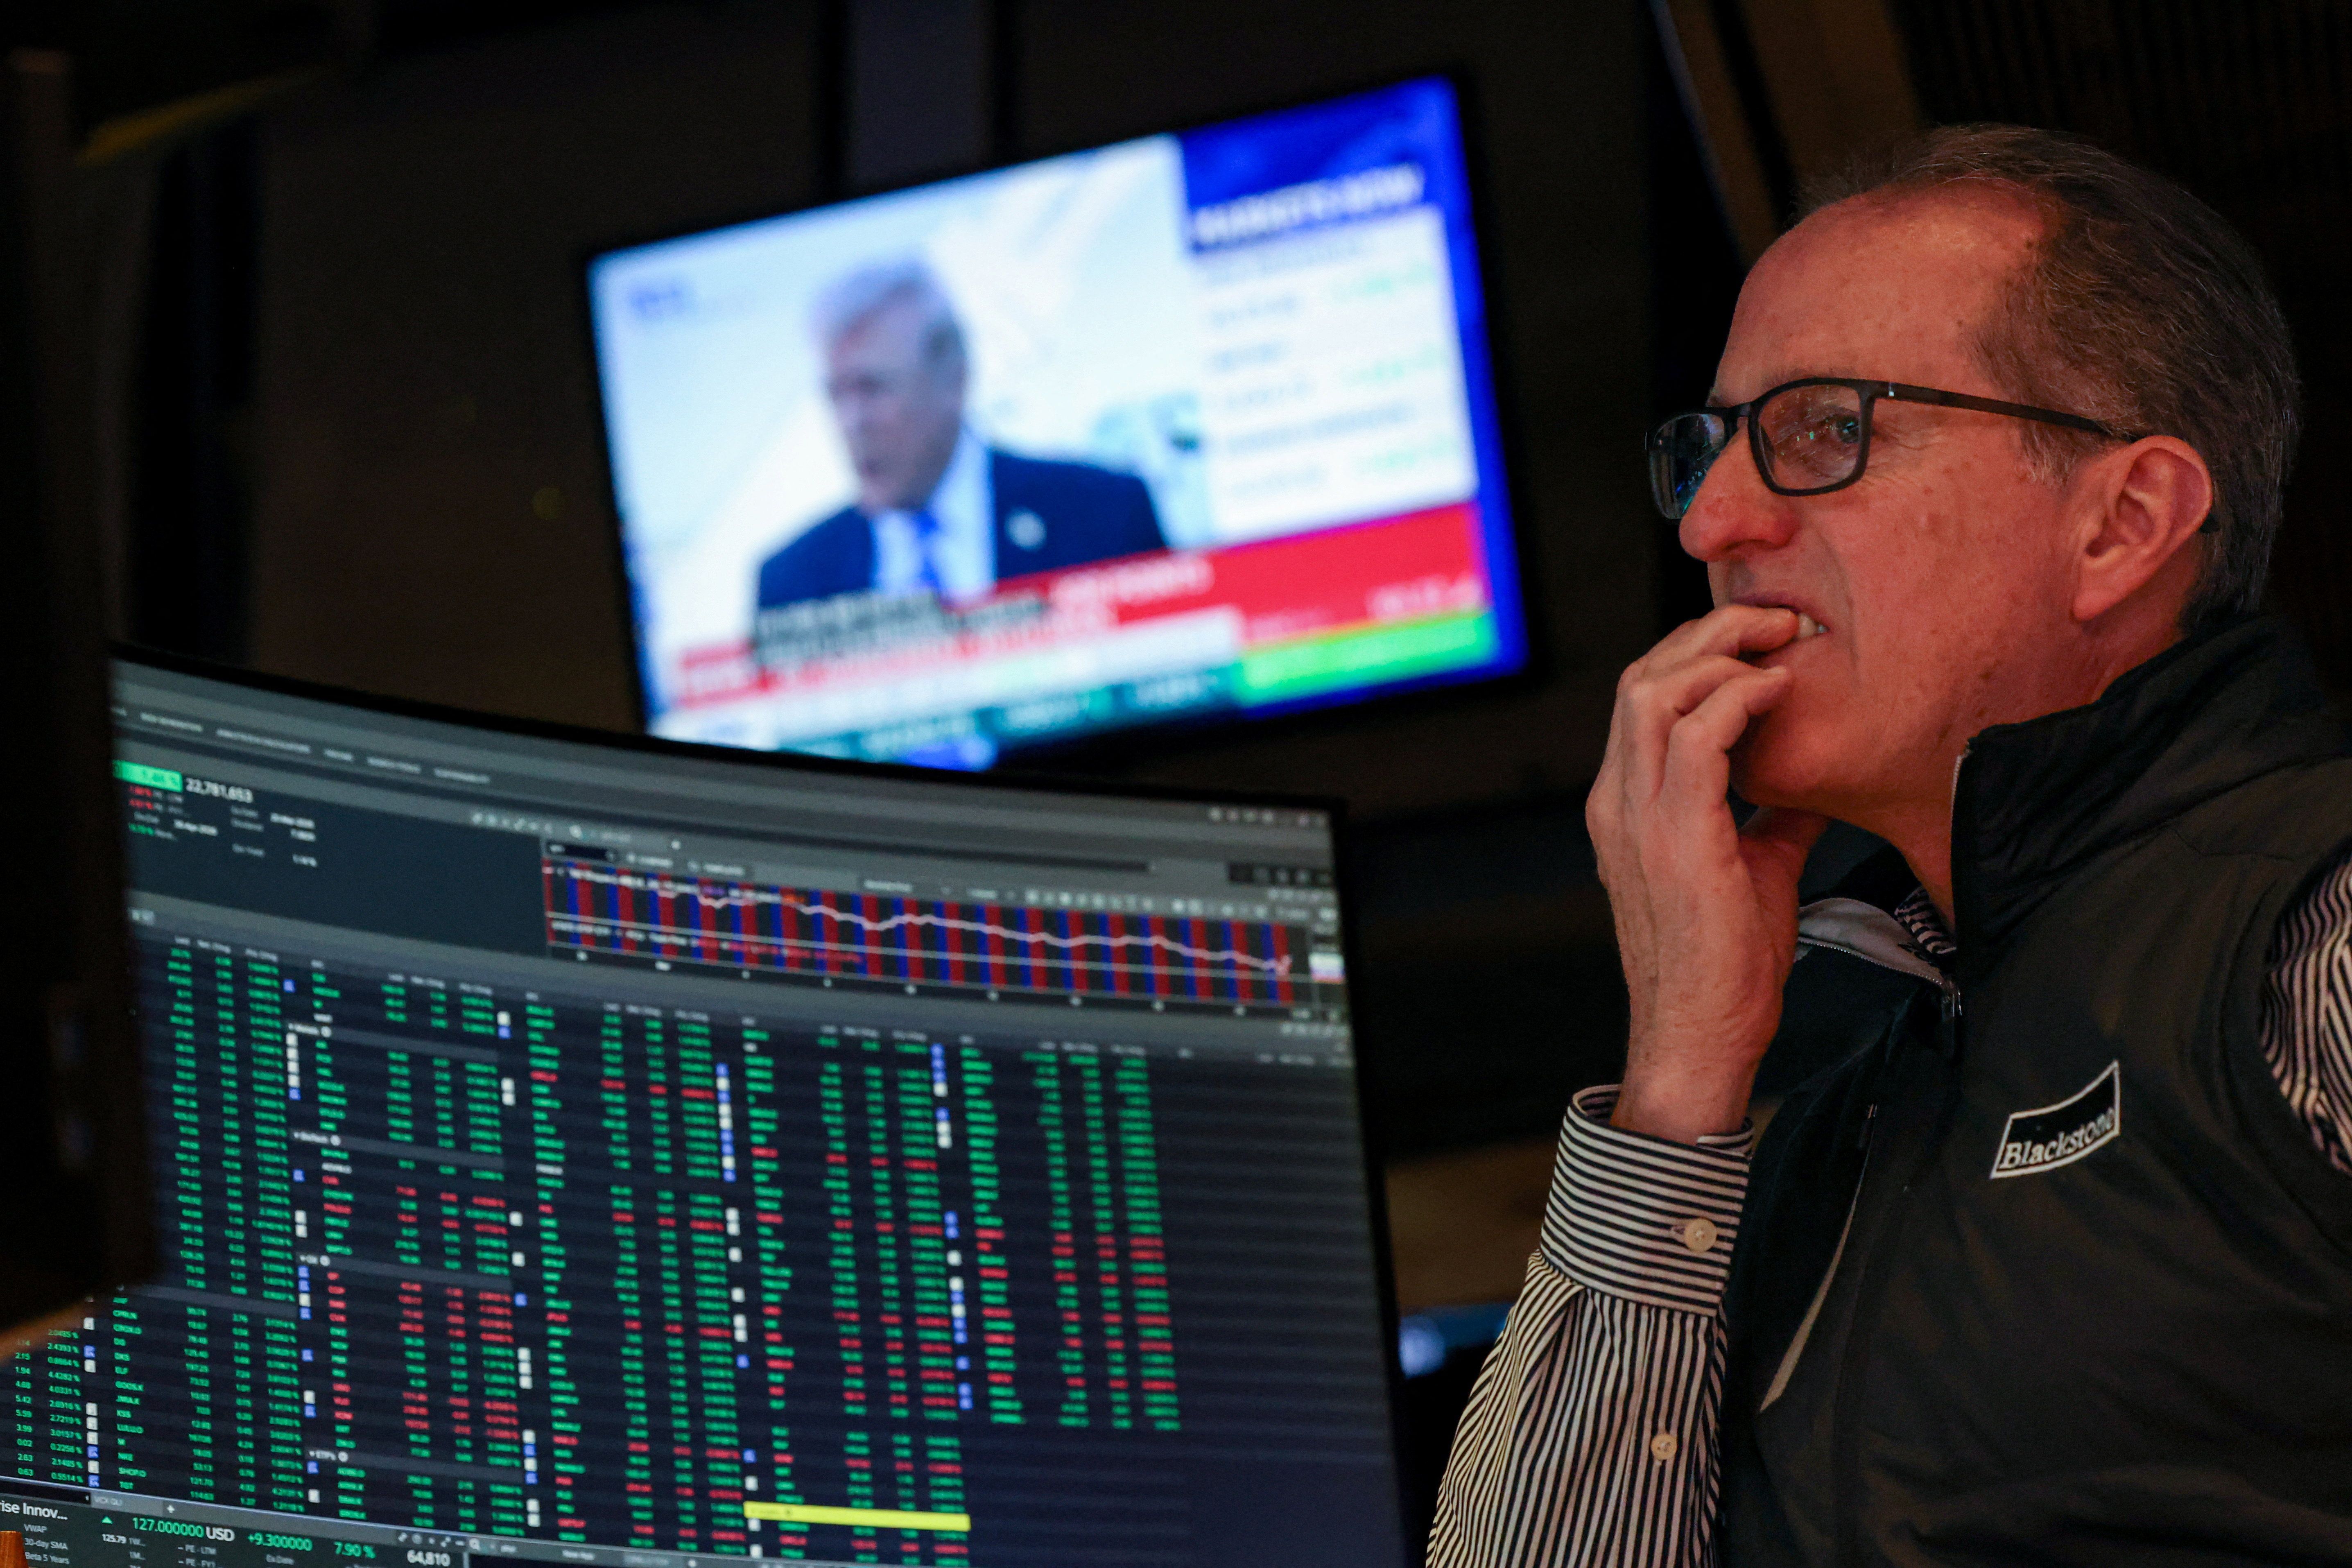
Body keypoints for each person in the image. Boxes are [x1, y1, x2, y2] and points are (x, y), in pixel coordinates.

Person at [1430, 126, 2352, 1566]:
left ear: (2120, 523)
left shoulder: (2318, 924)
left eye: (1823, 430)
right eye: (1710, 449)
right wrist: (1678, 1078)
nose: (1713, 522)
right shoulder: (1824, 1107)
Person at [753, 258, 1166, 611]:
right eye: (836, 394)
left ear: (954, 377)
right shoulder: (792, 583)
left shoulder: (1106, 515)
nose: (851, 422)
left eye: (872, 388)